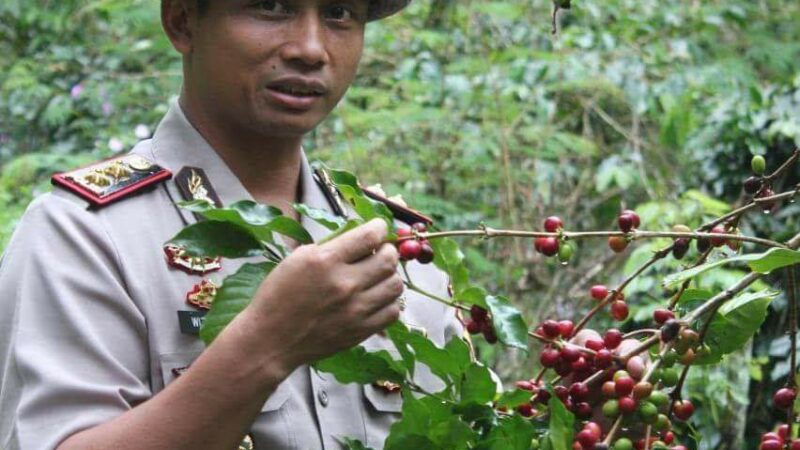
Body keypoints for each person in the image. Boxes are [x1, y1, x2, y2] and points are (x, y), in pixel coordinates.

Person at [0, 1, 463, 449]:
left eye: (339, 13)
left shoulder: (398, 246)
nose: (310, 48)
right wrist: (266, 344)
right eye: (271, 7)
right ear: (183, 22)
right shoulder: (85, 236)